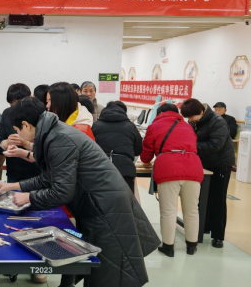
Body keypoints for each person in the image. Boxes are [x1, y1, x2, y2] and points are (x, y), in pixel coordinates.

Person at [0, 98, 159, 287]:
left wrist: (28, 197)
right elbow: (50, 177)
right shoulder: (54, 133)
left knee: (102, 274)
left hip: (106, 209)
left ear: (26, 125)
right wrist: (14, 186)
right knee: (94, 269)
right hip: (97, 206)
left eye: (18, 129)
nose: (18, 135)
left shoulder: (59, 138)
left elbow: (61, 191)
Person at [141, 103, 203, 256]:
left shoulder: (154, 126)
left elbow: (146, 155)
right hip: (193, 168)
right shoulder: (187, 126)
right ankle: (191, 246)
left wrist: (147, 160)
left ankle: (168, 247)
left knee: (168, 211)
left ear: (159, 113)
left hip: (168, 168)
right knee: (192, 210)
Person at [181, 99, 235, 249]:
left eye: (191, 117)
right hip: (204, 162)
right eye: (188, 118)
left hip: (221, 164)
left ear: (201, 112)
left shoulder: (218, 122)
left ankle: (218, 236)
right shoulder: (196, 121)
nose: (190, 120)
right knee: (203, 196)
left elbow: (215, 145)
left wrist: (190, 146)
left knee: (218, 199)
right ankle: (204, 226)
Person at [92, 101, 142, 193]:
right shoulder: (130, 126)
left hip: (100, 169)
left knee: (101, 200)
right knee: (125, 200)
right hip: (125, 170)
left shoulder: (95, 125)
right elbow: (138, 149)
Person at [0, 83, 41, 183]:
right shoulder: (7, 114)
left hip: (38, 174)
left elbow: (44, 150)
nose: (16, 109)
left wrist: (26, 144)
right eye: (13, 105)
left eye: (19, 105)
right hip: (14, 173)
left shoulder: (39, 114)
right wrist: (6, 143)